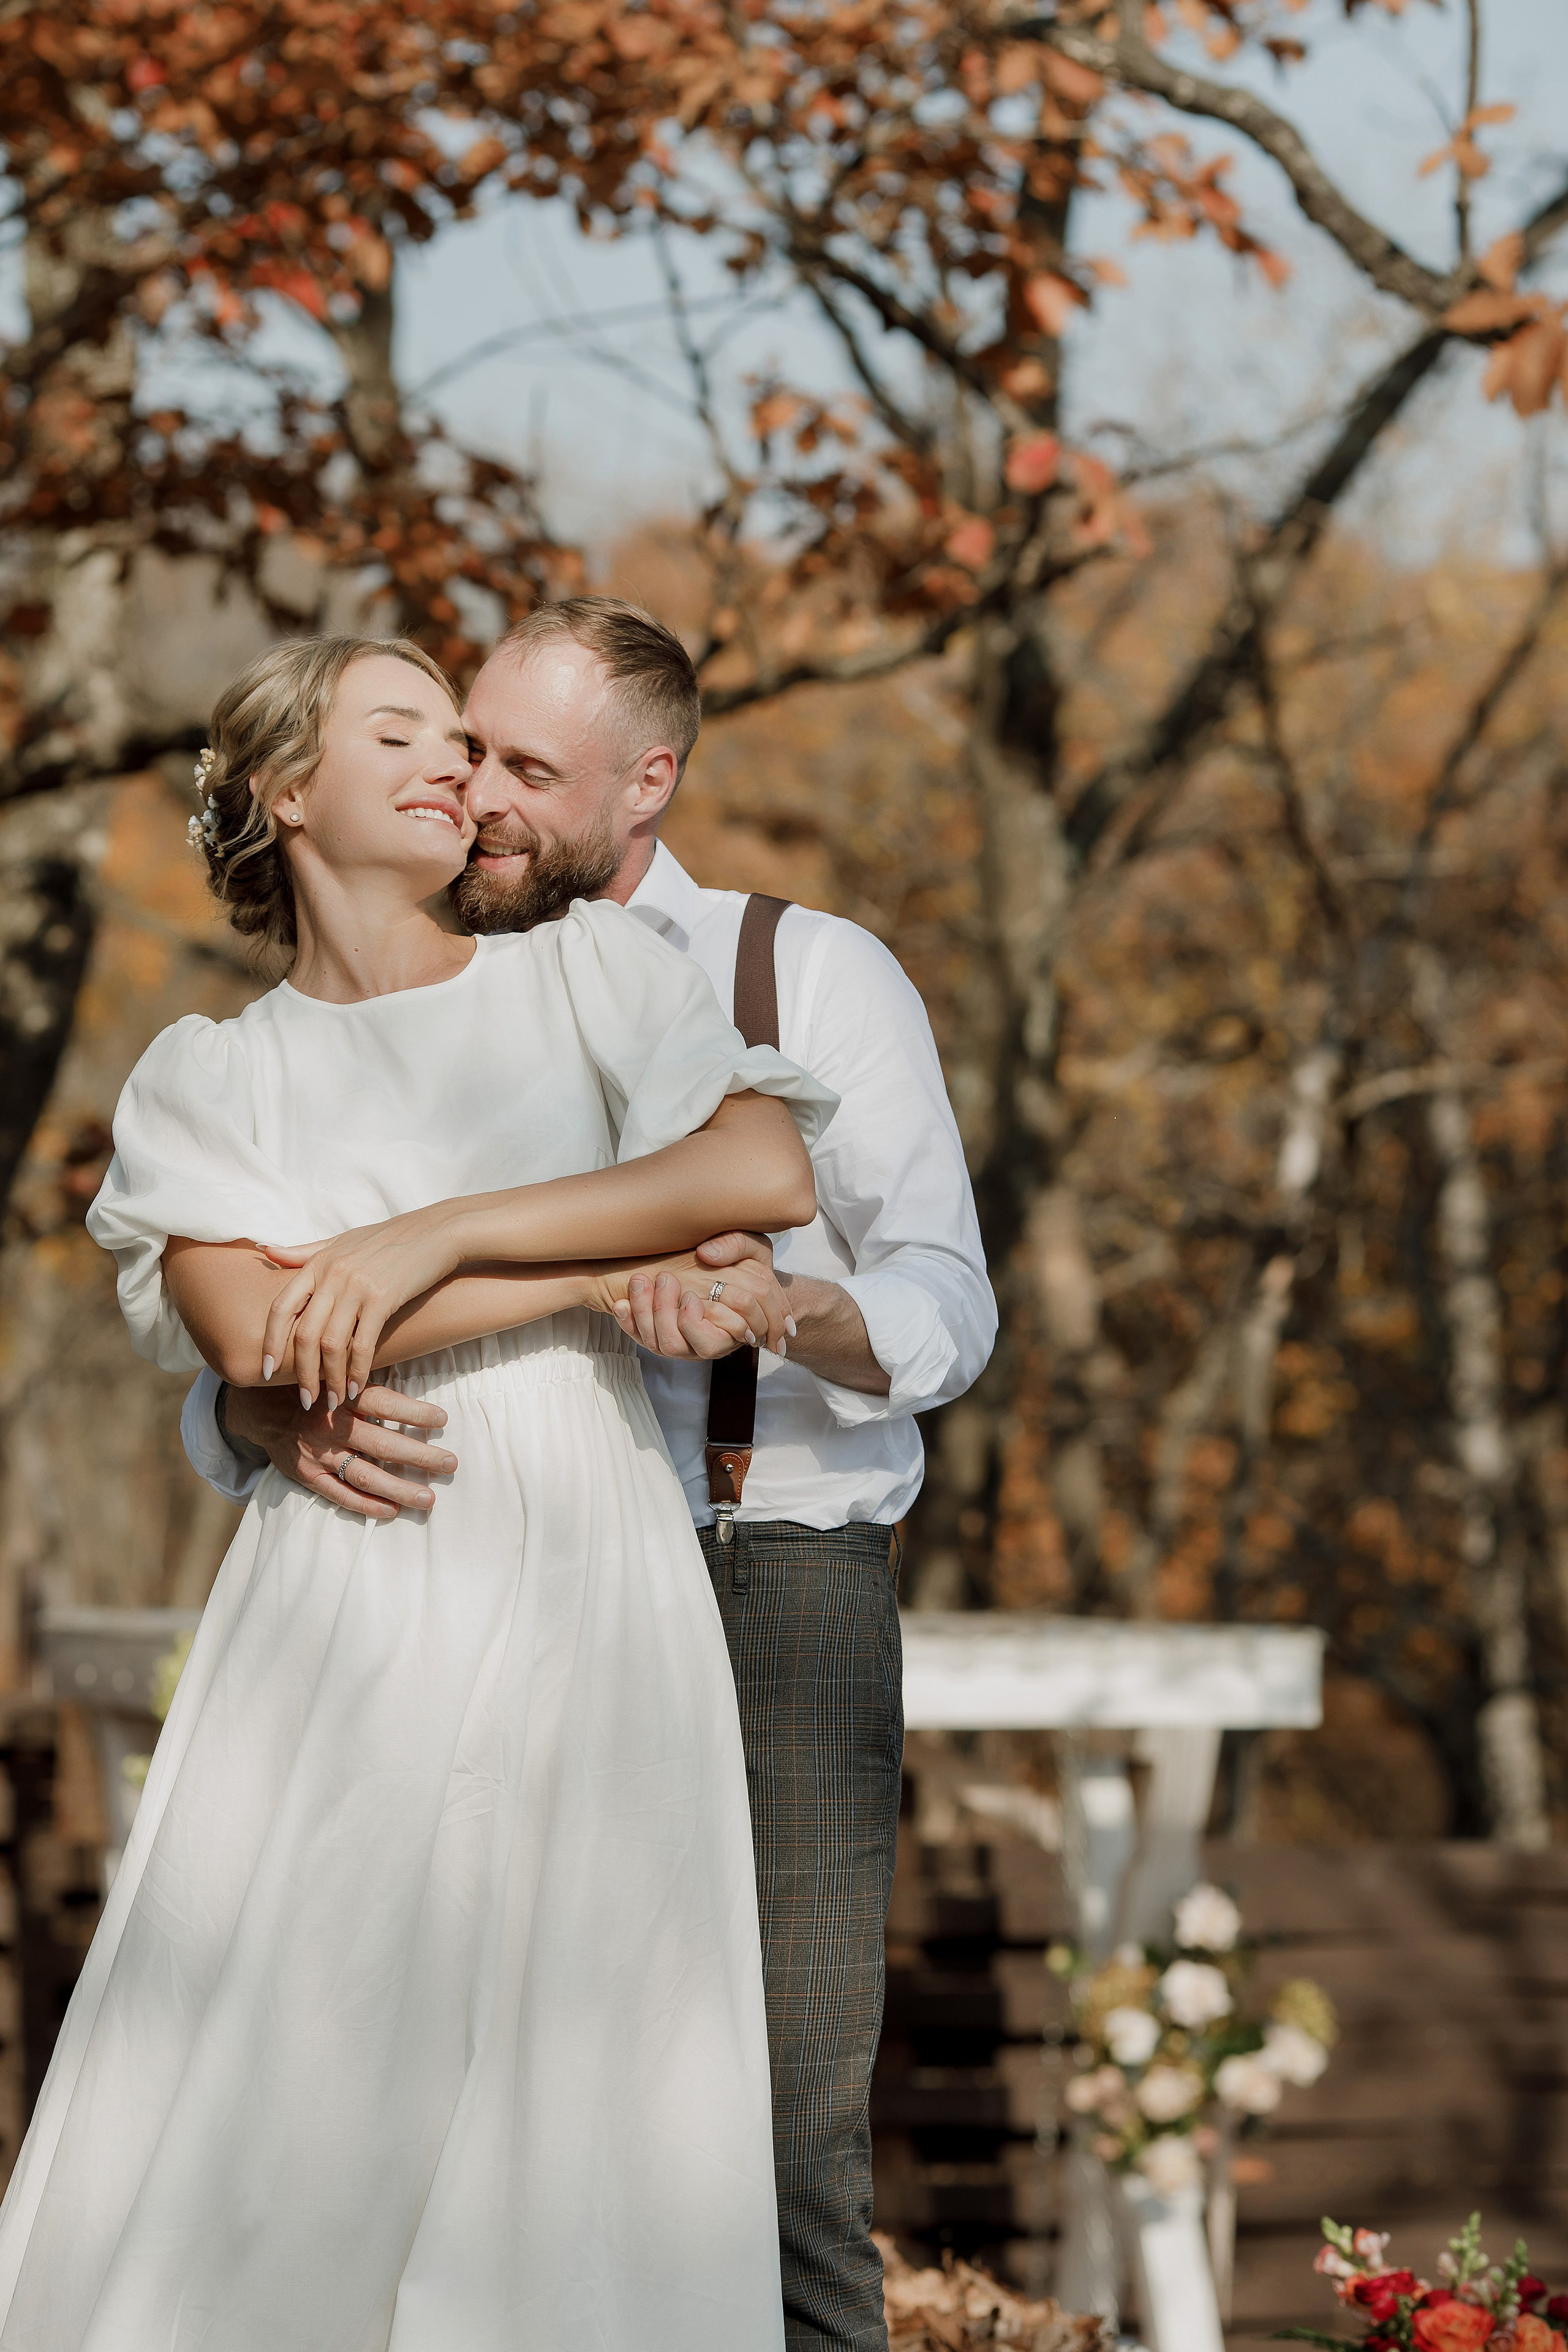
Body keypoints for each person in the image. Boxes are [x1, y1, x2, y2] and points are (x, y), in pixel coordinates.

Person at [0, 632, 840, 2351]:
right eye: (406, 733)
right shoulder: (209, 1077)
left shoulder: (591, 976)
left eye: (468, 738)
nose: (460, 765)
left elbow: (756, 1169)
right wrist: (593, 1260)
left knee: (589, 2035)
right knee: (307, 2016)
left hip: (586, 1556)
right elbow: (258, 1335)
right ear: (288, 791)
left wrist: (424, 1239)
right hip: (353, 1574)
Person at [188, 599, 998, 2352]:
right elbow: (263, 1298)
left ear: (650, 785)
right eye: (466, 748)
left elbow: (946, 1303)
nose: (480, 795)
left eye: (528, 772)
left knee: (769, 2139)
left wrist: (785, 1310)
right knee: (470, 2113)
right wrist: (258, 1411)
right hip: (493, 1579)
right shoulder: (407, 978)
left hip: (763, 1563)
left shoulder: (801, 976)